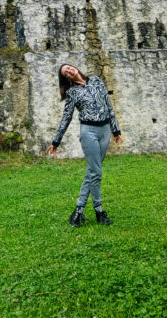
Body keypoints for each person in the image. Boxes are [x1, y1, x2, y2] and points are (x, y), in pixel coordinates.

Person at [46, 63, 122, 226]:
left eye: (69, 68)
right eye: (66, 72)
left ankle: (78, 211)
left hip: (105, 131)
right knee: (96, 173)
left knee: (92, 172)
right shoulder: (72, 92)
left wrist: (116, 130)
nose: (69, 71)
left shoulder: (96, 81)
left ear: (74, 68)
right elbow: (66, 117)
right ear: (66, 78)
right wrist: (56, 141)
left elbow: (108, 105)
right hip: (89, 132)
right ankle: (99, 212)